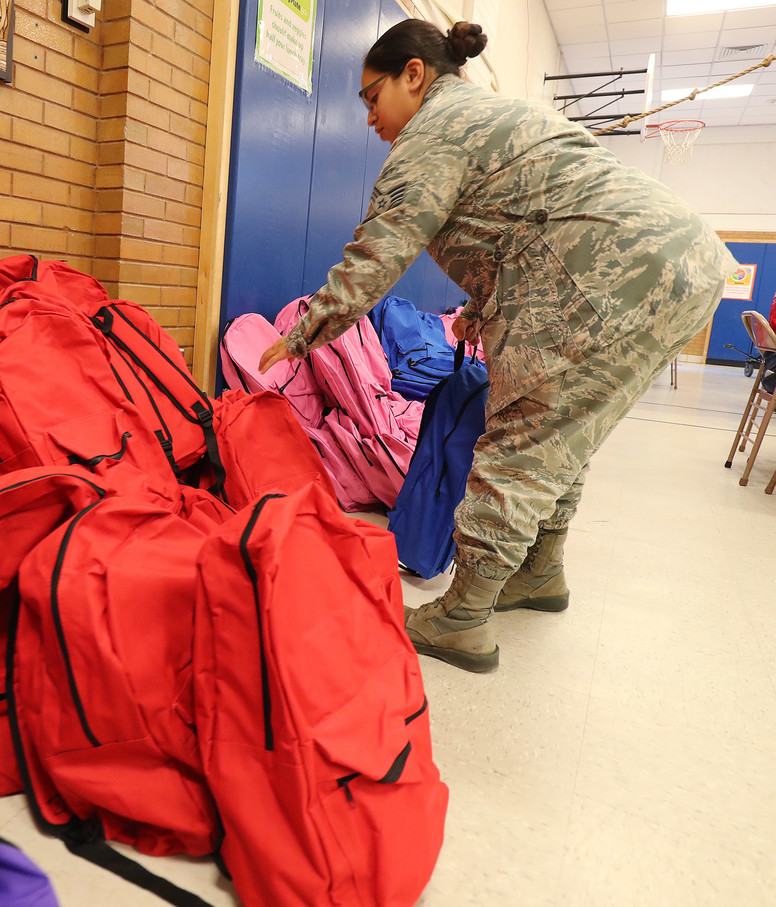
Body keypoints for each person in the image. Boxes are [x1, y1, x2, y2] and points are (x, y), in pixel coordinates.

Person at [258, 19, 736, 672]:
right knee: (567, 427)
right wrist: (486, 306)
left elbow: (382, 245)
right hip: (679, 265)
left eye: (373, 96)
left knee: (521, 433)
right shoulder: (488, 115)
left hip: (608, 273)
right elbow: (522, 221)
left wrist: (305, 331)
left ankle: (465, 614)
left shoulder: (435, 131)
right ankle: (539, 570)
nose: (370, 116)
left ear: (415, 75)